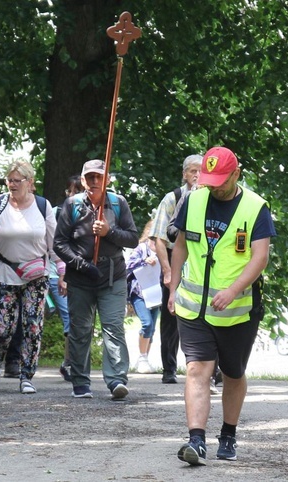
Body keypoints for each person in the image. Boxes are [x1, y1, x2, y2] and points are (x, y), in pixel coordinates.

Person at [168, 146, 276, 466]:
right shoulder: (194, 199)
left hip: (238, 311)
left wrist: (233, 290)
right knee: (197, 369)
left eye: (220, 180)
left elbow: (260, 257)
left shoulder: (256, 207)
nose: (214, 186)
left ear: (236, 174)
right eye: (209, 179)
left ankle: (228, 433)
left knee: (232, 372)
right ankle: (196, 441)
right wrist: (173, 289)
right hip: (194, 308)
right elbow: (180, 247)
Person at [53, 159, 139, 400]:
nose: (93, 181)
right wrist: (81, 264)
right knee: (80, 331)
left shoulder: (118, 203)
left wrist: (108, 232)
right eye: (89, 177)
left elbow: (132, 238)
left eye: (98, 177)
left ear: (107, 179)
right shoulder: (71, 205)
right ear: (82, 181)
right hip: (80, 278)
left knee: (113, 327)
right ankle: (80, 382)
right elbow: (59, 243)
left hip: (112, 277)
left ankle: (116, 380)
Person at [0, 161, 58, 395]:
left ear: (30, 183)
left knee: (32, 326)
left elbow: (53, 245)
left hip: (36, 275)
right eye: (9, 180)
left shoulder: (43, 206)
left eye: (17, 180)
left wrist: (62, 273)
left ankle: (27, 376)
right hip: (4, 273)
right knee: (3, 328)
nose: (12, 184)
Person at [149, 154, 203, 384]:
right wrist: (168, 270)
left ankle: (211, 369)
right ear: (184, 174)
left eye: (201, 171)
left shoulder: (212, 198)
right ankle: (169, 368)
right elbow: (160, 238)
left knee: (205, 314)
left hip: (200, 259)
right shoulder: (173, 198)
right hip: (174, 258)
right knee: (171, 317)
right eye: (193, 171)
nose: (197, 175)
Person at [50, 175, 84, 381]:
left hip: (80, 275)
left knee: (78, 320)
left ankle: (69, 362)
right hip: (56, 274)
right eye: (72, 191)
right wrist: (62, 275)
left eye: (79, 191)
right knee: (70, 318)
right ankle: (71, 363)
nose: (74, 195)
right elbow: (54, 245)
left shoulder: (89, 214)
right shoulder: (57, 213)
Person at [126, 220, 160, 374]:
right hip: (139, 292)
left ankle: (145, 359)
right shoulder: (142, 248)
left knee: (151, 327)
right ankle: (142, 358)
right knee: (146, 323)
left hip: (156, 294)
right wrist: (144, 261)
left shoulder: (163, 249)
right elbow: (128, 265)